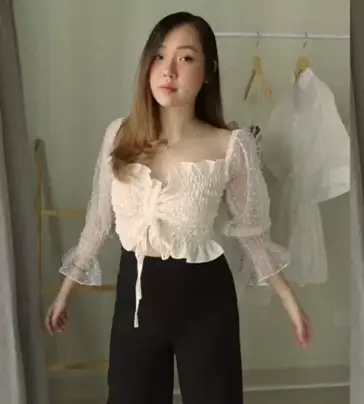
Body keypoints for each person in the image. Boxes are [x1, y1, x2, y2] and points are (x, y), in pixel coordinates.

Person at [44, 12, 312, 404]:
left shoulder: (231, 146)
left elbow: (252, 233)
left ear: (208, 73)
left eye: (185, 58)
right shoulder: (119, 135)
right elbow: (98, 223)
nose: (168, 70)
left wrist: (291, 303)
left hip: (205, 302)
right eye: (159, 56)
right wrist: (65, 292)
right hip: (136, 300)